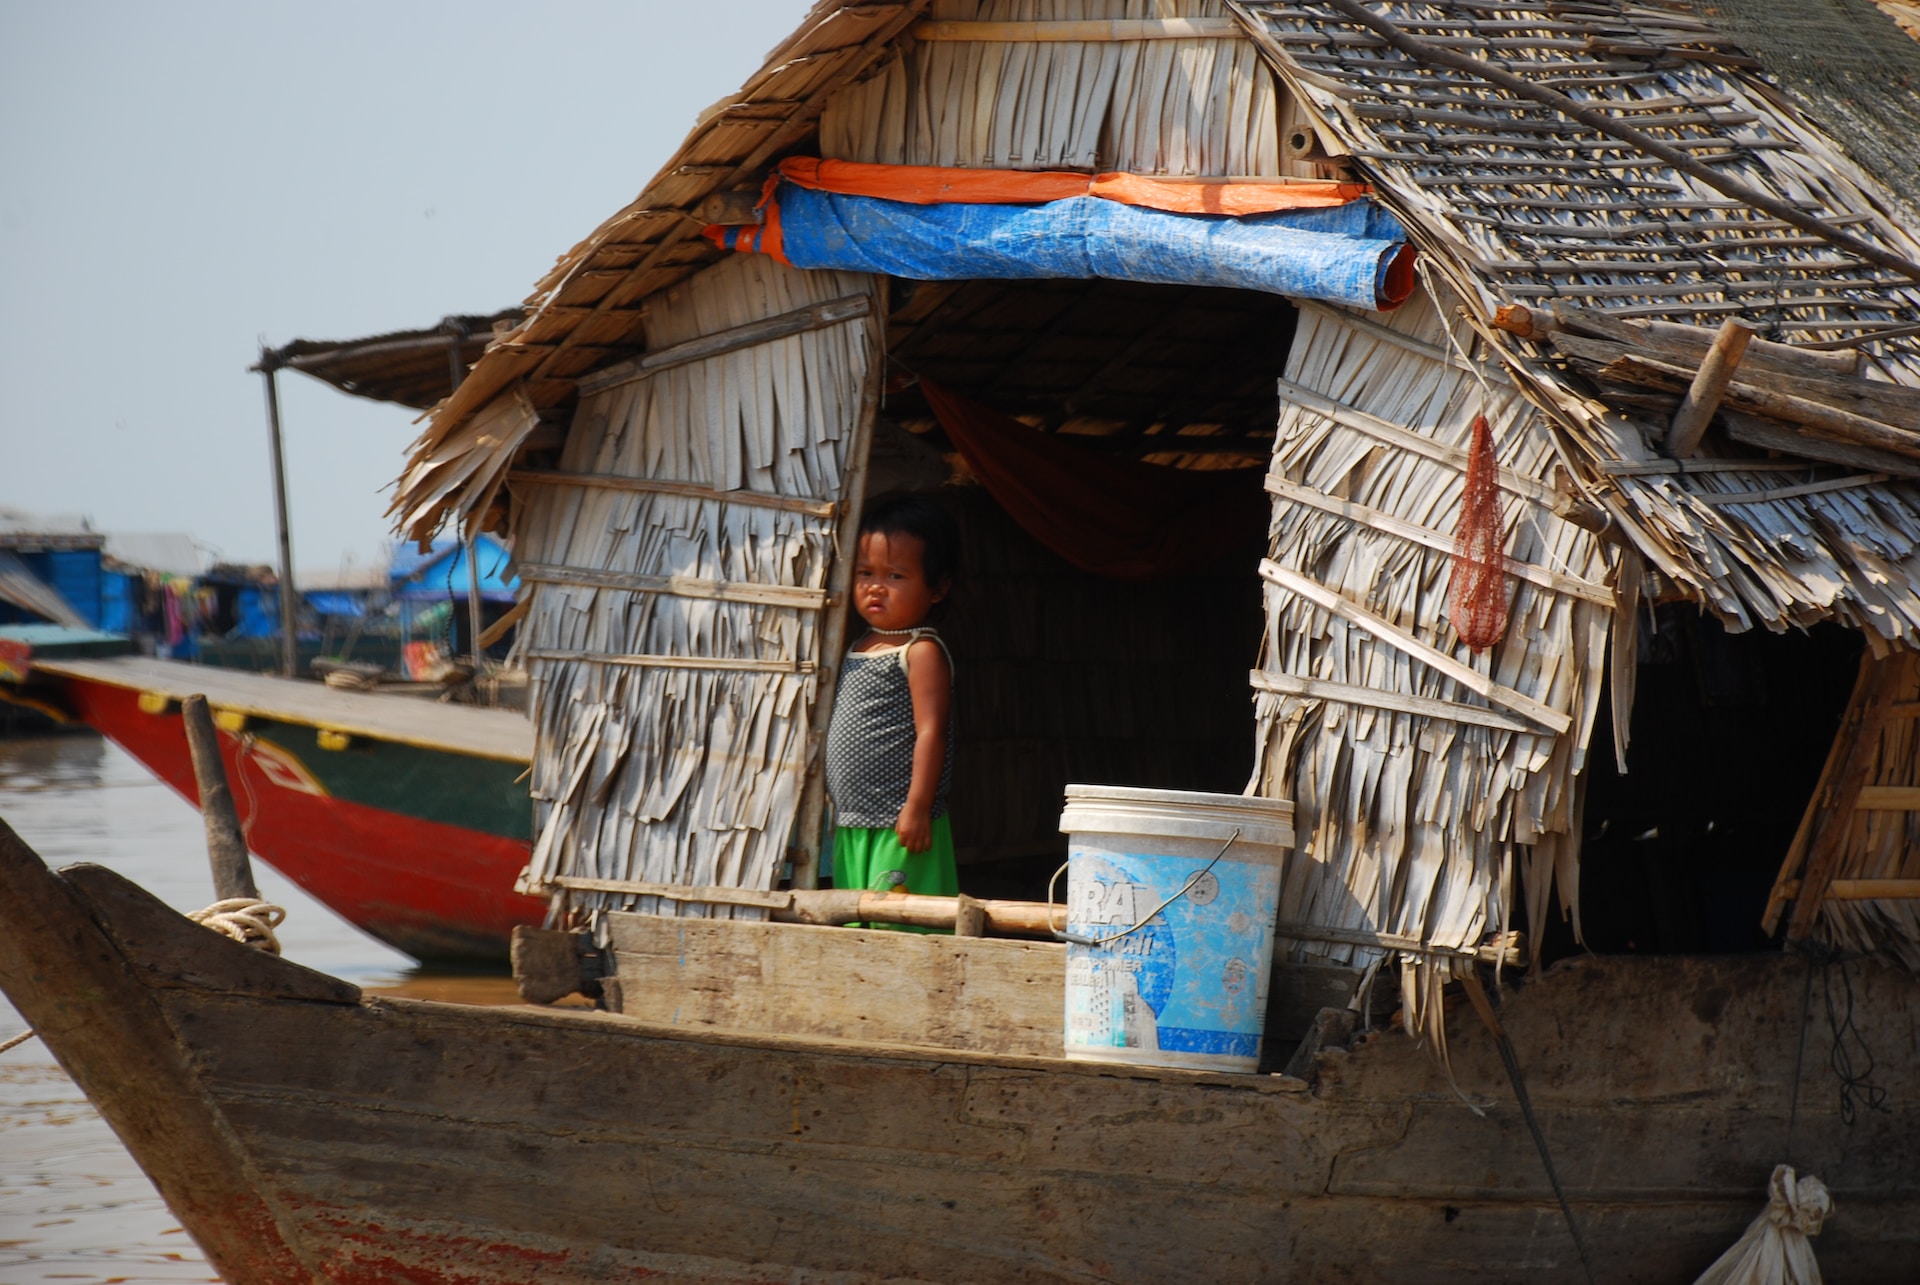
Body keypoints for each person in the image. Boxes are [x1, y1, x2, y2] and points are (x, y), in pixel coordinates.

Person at [823, 494, 961, 925]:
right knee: (855, 917)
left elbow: (931, 732)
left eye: (895, 575)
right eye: (866, 573)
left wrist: (917, 807)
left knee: (900, 922)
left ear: (937, 587)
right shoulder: (857, 644)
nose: (875, 586)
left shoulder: (920, 651)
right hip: (852, 819)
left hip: (899, 821)